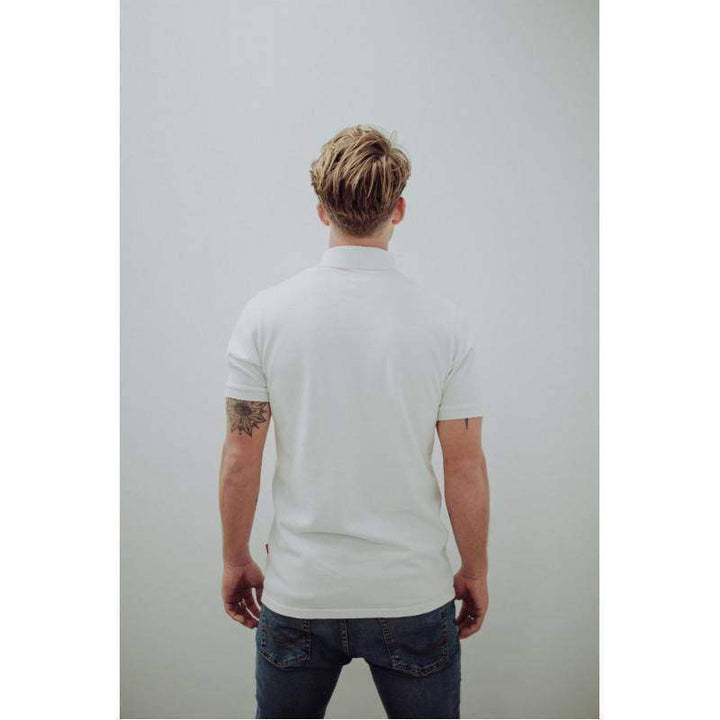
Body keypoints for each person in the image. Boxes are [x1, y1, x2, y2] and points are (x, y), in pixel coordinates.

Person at [219, 125, 490, 719]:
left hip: (300, 589)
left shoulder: (266, 316)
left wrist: (235, 559)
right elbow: (464, 465)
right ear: (399, 209)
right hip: (411, 590)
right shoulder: (444, 323)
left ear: (322, 211)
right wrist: (475, 569)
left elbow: (242, 456)